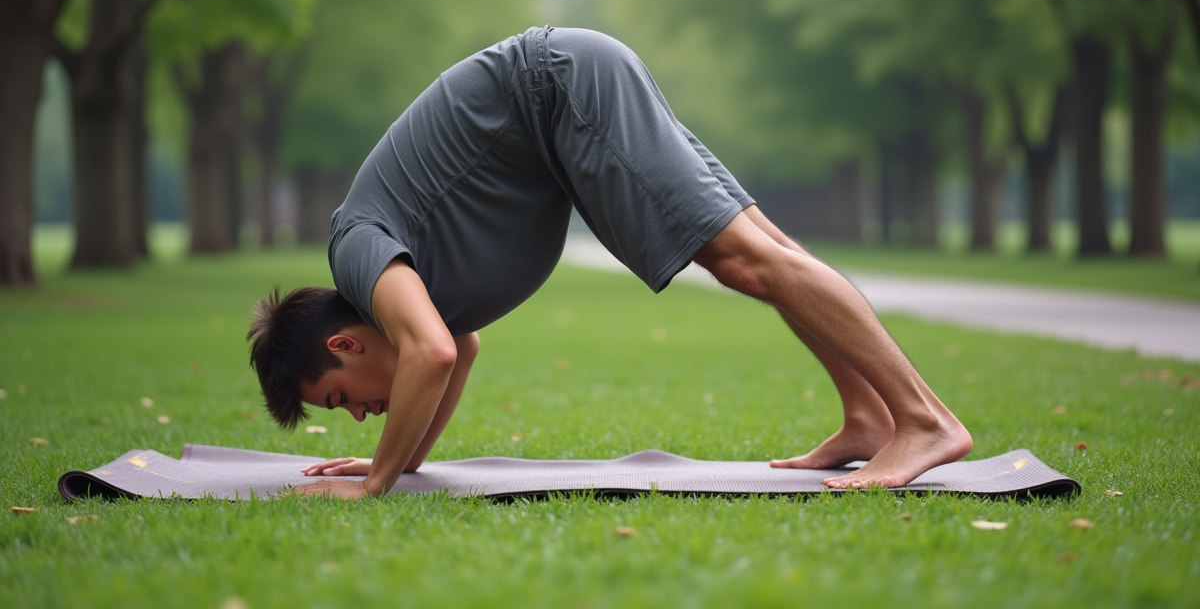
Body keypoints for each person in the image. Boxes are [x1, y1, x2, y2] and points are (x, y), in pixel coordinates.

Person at [247, 26, 971, 499]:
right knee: (768, 248)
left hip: (557, 88)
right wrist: (399, 462)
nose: (360, 414)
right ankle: (869, 418)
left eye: (340, 397)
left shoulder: (355, 248)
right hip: (567, 88)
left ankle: (922, 420)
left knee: (749, 262)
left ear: (344, 342)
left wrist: (373, 483)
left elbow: (431, 355)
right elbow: (458, 350)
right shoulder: (405, 296)